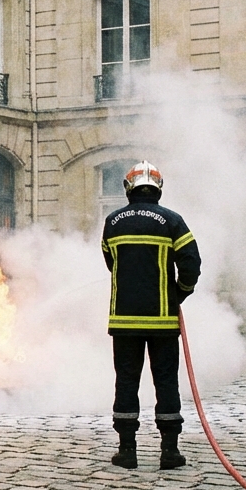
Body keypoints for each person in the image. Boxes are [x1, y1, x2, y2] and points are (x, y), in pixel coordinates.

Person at [100, 161, 201, 470]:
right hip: (163, 321)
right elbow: (192, 263)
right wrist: (178, 292)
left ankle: (127, 450)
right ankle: (170, 450)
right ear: (158, 187)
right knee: (167, 382)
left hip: (124, 321)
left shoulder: (113, 222)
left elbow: (110, 261)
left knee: (126, 382)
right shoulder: (172, 221)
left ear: (128, 188)